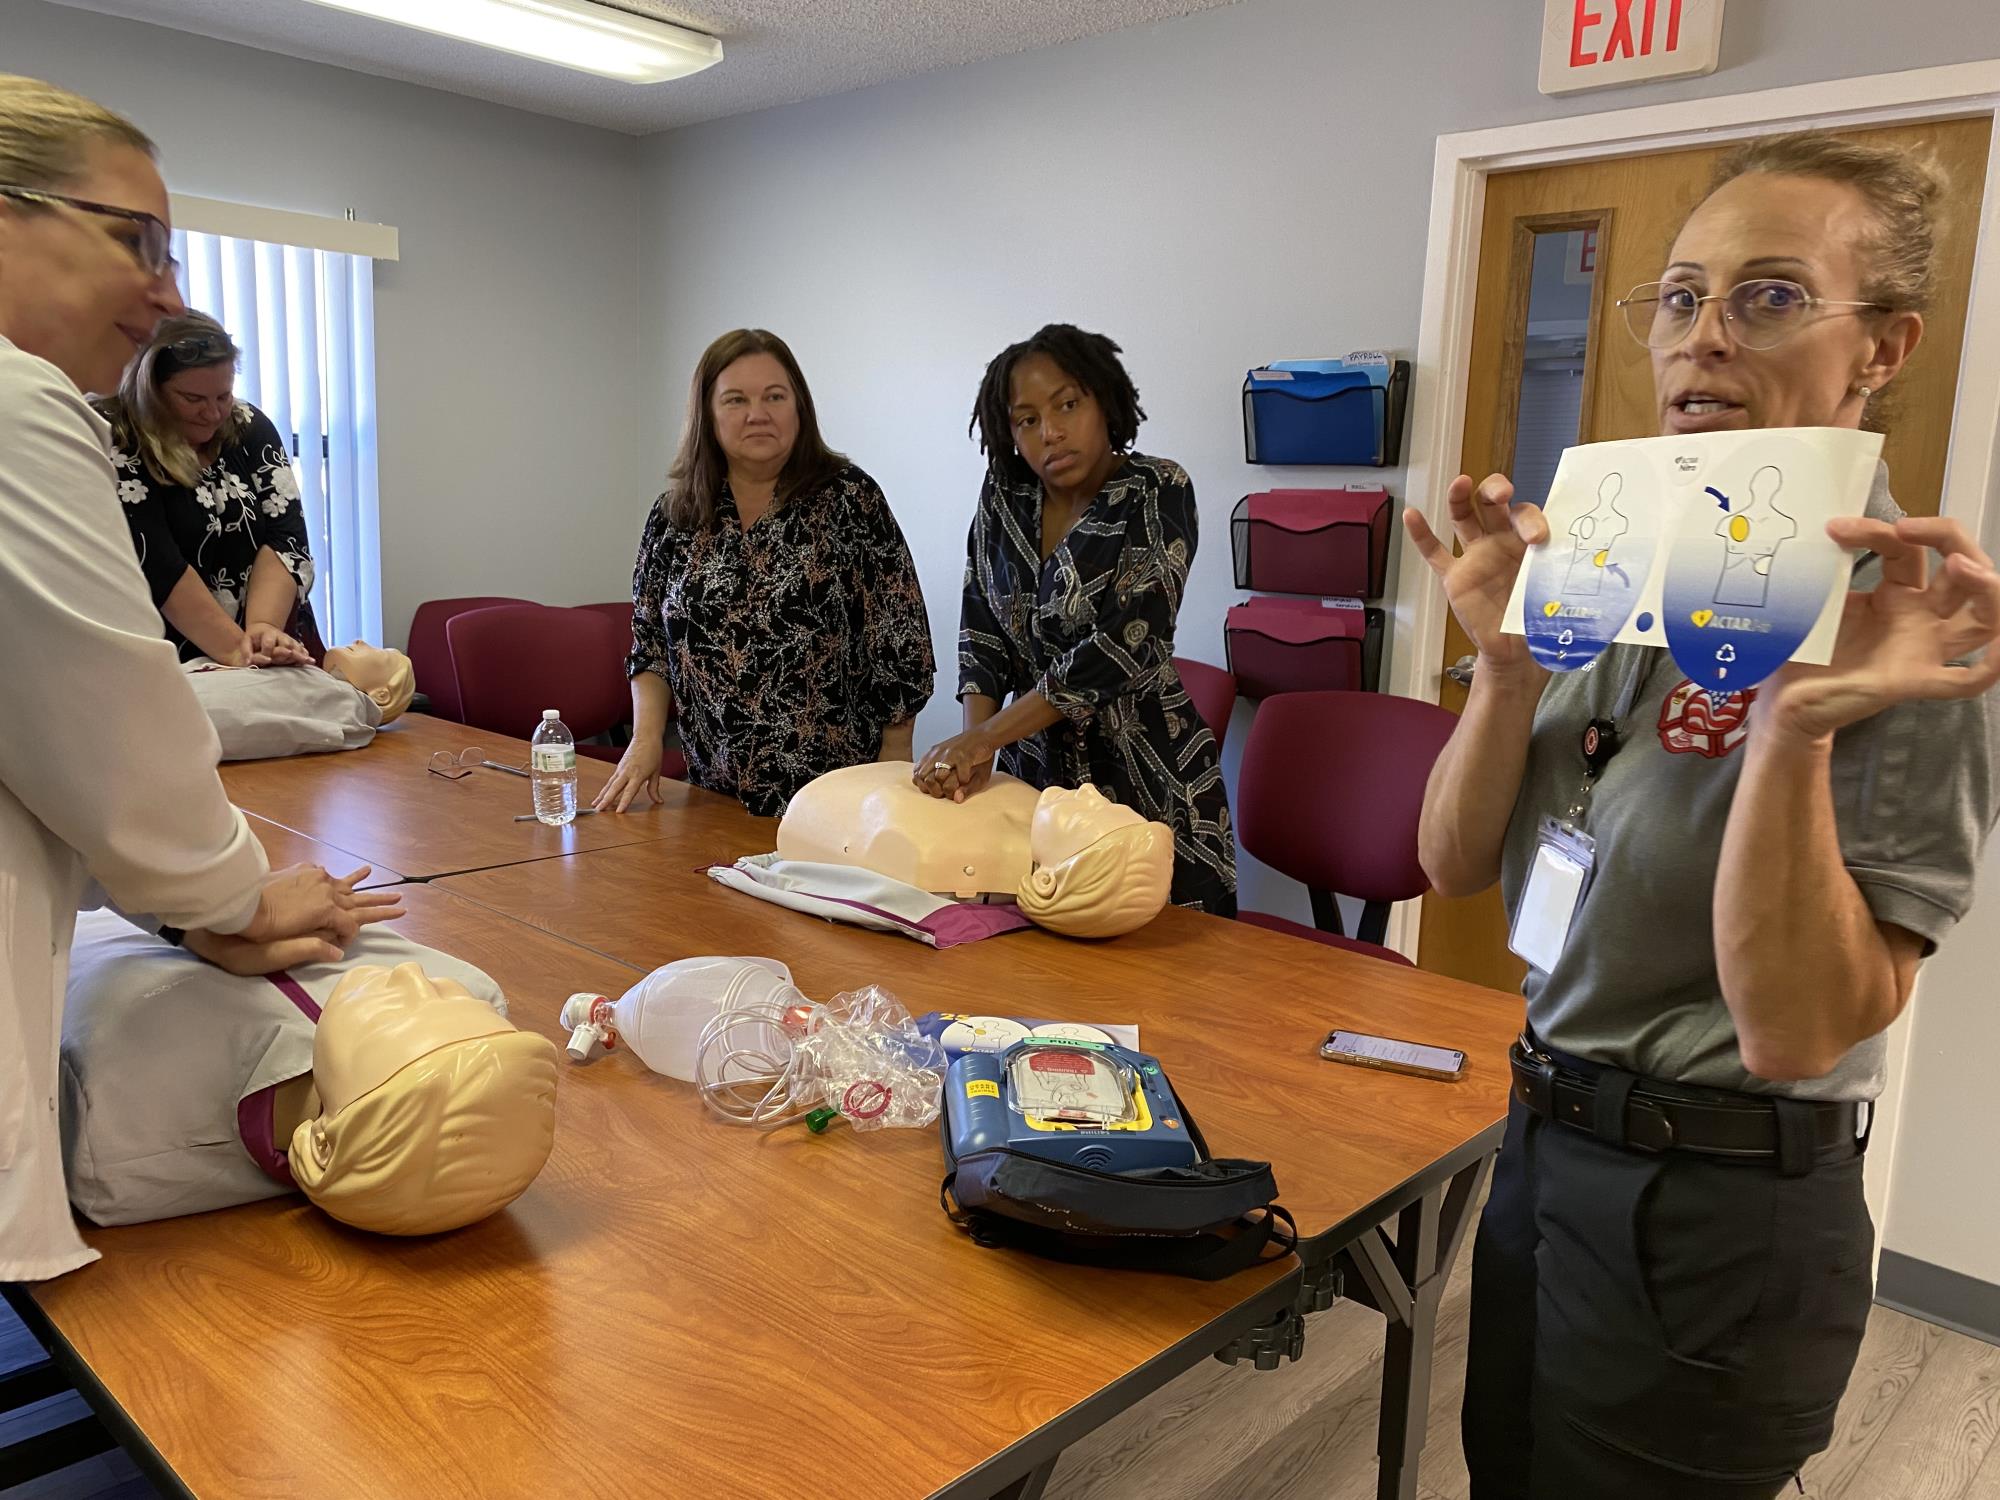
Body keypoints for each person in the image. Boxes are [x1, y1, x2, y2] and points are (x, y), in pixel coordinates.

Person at [1403, 133, 2000, 1497]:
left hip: (1716, 1207)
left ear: (1884, 349)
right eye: (1679, 298)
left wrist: (1791, 725)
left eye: (1771, 296)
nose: (1704, 337)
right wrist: (1502, 669)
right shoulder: (1624, 566)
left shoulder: (1908, 623)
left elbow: (1796, 1027)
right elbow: (1447, 863)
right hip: (1547, 1141)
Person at [0, 74, 396, 1282]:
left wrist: (184, 890)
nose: (167, 289)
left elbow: (61, 732)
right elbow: (111, 729)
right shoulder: (23, 407)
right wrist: (228, 894)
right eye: (136, 240)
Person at [917, 324, 1235, 916]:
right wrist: (975, 759)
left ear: (1103, 401)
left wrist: (983, 738)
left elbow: (1118, 648)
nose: (1051, 433)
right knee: (1035, 969)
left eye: (1067, 405)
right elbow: (981, 628)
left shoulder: (1157, 490)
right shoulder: (1004, 494)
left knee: (1167, 978)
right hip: (1033, 780)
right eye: (1027, 420)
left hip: (1148, 779)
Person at [596, 329, 935, 818]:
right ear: (708, 416)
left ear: (799, 407)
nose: (758, 413)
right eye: (736, 399)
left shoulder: (850, 500)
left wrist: (893, 765)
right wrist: (646, 739)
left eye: (774, 396)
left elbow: (899, 640)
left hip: (834, 799)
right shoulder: (676, 514)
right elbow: (649, 643)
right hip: (713, 790)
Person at [97, 311, 319, 666]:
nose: (213, 413)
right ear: (149, 387)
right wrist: (238, 651)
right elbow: (155, 561)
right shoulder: (115, 436)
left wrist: (262, 632)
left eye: (223, 395)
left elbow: (284, 537)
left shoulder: (249, 426)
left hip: (261, 641)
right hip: (161, 654)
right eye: (193, 398)